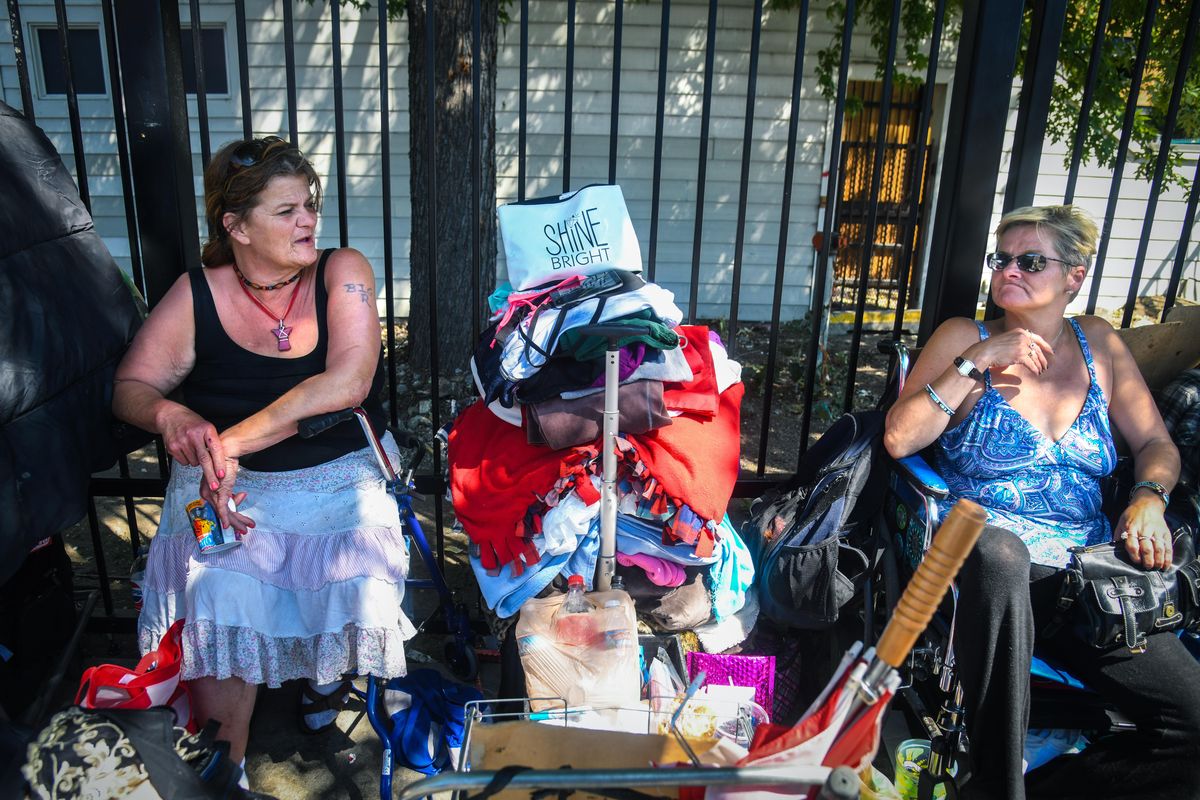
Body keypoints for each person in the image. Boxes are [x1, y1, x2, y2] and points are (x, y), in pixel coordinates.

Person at [113, 136, 414, 768]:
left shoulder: (343, 270)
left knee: (349, 566)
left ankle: (324, 671)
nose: (308, 220)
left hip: (334, 470)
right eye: (286, 211)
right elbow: (131, 389)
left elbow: (347, 384)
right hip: (230, 484)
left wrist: (225, 446)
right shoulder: (196, 293)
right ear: (236, 226)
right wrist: (172, 414)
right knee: (219, 591)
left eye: (309, 204)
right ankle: (227, 766)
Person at [883, 204, 1200, 800]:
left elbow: (1156, 442)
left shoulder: (1099, 343)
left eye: (1031, 260)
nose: (1010, 271)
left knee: (1191, 727)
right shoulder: (965, 336)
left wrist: (1149, 497)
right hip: (980, 565)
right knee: (1001, 552)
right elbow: (900, 436)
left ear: (1074, 276)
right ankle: (998, 784)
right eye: (1001, 259)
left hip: (1086, 580)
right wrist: (977, 362)